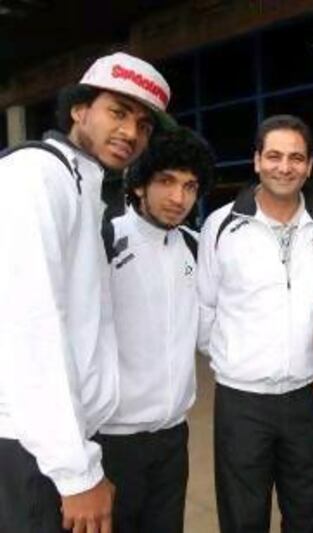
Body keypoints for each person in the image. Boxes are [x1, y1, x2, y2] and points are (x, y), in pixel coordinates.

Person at [0, 52, 172, 533]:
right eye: (117, 112)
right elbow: (27, 328)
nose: (131, 133)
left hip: (59, 444)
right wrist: (76, 473)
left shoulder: (83, 189)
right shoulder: (35, 175)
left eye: (143, 124)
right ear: (79, 110)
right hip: (34, 449)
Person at [197, 114, 313, 533]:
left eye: (296, 157)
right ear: (256, 161)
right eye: (274, 156)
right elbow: (205, 311)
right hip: (242, 402)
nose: (285, 166)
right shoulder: (221, 226)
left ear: (310, 166)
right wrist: (239, 358)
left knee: (306, 514)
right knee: (243, 518)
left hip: (307, 398)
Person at [96, 127, 215, 533]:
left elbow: (209, 330)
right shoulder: (105, 241)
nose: (179, 198)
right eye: (166, 181)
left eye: (190, 185)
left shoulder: (195, 247)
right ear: (140, 183)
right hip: (111, 440)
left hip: (172, 437)